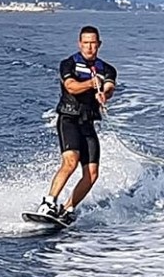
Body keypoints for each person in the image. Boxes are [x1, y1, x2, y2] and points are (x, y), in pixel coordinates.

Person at [37, 25, 117, 225]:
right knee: (71, 161)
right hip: (69, 119)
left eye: (93, 43)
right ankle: (48, 203)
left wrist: (104, 93)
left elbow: (109, 85)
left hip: (88, 123)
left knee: (92, 173)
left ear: (99, 44)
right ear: (80, 44)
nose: (90, 47)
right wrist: (90, 84)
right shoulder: (68, 64)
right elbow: (71, 86)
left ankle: (67, 209)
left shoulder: (107, 69)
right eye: (86, 43)